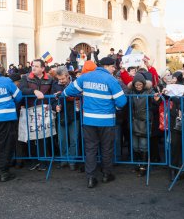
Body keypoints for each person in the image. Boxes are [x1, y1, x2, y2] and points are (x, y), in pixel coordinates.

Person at [63, 56, 127, 188]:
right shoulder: (111, 80)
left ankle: (91, 178)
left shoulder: (85, 77)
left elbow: (69, 91)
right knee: (106, 149)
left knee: (90, 149)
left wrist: (62, 94)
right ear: (107, 66)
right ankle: (106, 175)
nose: (114, 69)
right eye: (113, 67)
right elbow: (122, 102)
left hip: (89, 120)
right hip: (106, 121)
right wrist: (116, 107)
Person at [51, 66, 79, 170]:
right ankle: (64, 159)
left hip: (74, 114)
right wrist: (55, 106)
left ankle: (72, 161)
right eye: (59, 79)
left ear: (67, 76)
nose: (61, 81)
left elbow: (79, 94)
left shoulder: (76, 82)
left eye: (63, 79)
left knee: (74, 139)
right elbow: (52, 100)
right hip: (61, 115)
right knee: (61, 140)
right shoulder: (55, 85)